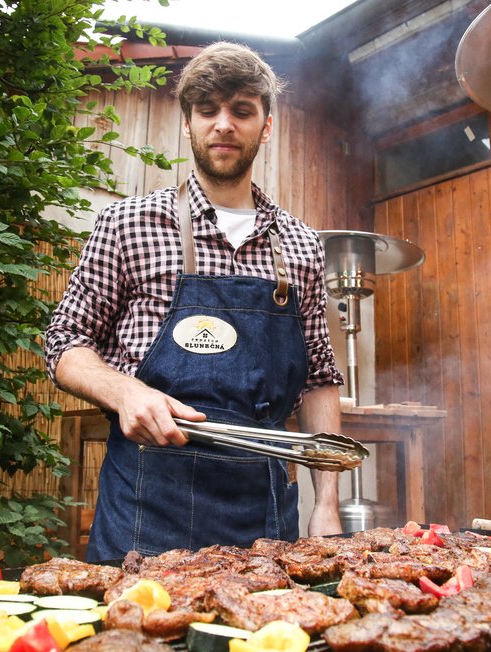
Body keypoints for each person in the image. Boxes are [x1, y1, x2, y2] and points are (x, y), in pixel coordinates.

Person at [44, 41, 344, 561]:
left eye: (241, 110)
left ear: (265, 126)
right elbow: (63, 342)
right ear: (188, 123)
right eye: (208, 110)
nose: (223, 124)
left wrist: (327, 505)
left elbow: (318, 378)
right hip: (146, 505)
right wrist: (124, 393)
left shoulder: (302, 245)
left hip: (264, 514)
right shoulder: (128, 224)